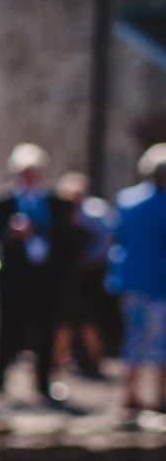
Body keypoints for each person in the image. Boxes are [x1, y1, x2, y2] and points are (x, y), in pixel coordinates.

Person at [0, 143, 69, 403]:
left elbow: (64, 237)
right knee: (9, 328)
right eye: (24, 172)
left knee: (46, 329)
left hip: (45, 277)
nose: (29, 178)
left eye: (33, 172)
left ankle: (43, 383)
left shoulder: (55, 202)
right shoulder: (3, 202)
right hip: (14, 276)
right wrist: (12, 234)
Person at [111, 144, 166, 415]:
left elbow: (117, 237)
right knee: (161, 342)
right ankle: (161, 394)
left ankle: (130, 393)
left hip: (132, 279)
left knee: (134, 338)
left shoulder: (127, 201)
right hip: (159, 282)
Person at [52, 172, 111, 379]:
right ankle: (57, 365)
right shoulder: (60, 214)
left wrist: (90, 260)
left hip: (86, 278)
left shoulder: (93, 214)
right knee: (65, 324)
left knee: (85, 322)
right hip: (66, 278)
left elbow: (104, 242)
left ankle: (94, 362)